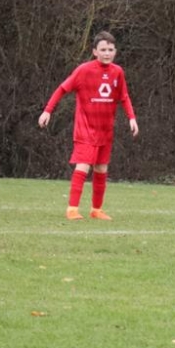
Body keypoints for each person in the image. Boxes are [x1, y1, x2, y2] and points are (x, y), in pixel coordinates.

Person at [39, 31, 139, 220]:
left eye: (110, 50)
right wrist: (47, 111)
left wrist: (132, 118)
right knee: (83, 166)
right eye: (103, 49)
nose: (107, 53)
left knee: (101, 168)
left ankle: (96, 210)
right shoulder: (84, 70)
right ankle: (72, 209)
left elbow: (124, 97)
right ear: (95, 51)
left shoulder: (118, 72)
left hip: (105, 130)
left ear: (115, 51)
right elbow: (62, 89)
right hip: (85, 129)